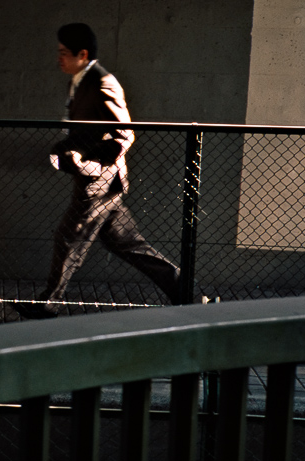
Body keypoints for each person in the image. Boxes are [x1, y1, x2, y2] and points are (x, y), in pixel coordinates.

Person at [13, 23, 182, 319]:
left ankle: (48, 304)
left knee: (69, 237)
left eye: (64, 53)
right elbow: (84, 133)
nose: (58, 59)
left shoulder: (103, 82)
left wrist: (86, 163)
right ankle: (191, 294)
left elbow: (124, 134)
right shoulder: (79, 80)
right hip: (98, 180)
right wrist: (68, 150)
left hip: (99, 181)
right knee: (129, 245)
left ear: (83, 53)